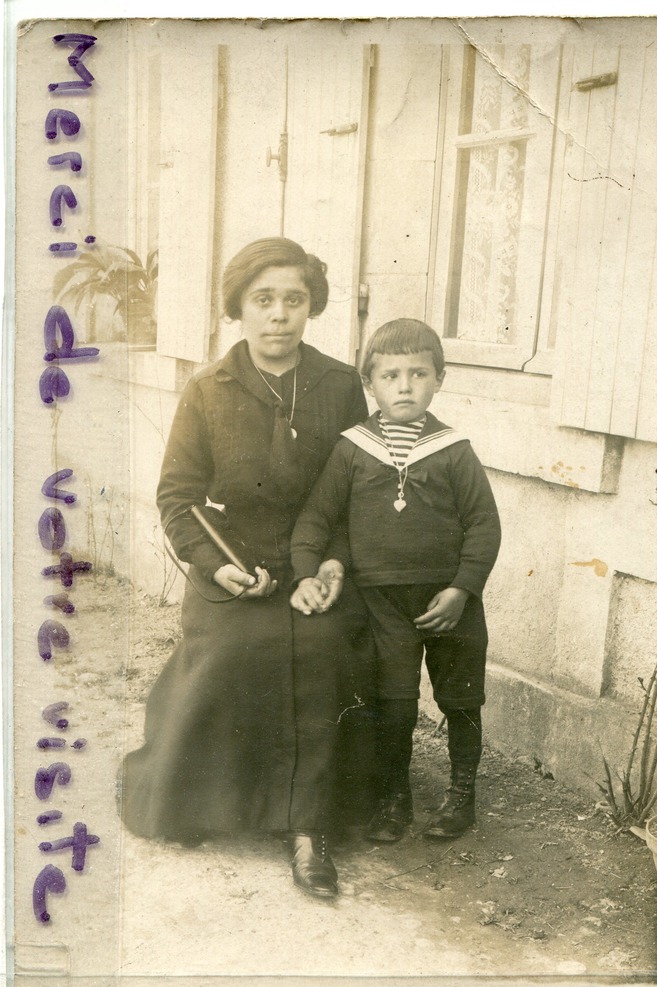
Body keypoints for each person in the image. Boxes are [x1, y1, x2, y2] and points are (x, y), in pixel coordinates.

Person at [120, 237, 373, 899]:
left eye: (293, 299)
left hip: (314, 567)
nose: (279, 315)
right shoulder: (208, 389)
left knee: (322, 650)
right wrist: (216, 567)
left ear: (311, 305)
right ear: (239, 307)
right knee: (235, 648)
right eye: (263, 300)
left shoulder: (342, 386)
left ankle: (310, 827)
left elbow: (356, 493)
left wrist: (333, 569)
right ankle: (212, 800)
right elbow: (177, 497)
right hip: (233, 566)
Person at [290, 318, 501, 844]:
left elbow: (483, 524)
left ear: (440, 379)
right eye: (390, 375)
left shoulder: (453, 450)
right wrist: (305, 569)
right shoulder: (353, 449)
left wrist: (462, 589)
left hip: (449, 599)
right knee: (394, 700)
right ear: (370, 384)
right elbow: (317, 518)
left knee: (460, 698)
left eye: (418, 373)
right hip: (381, 600)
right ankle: (393, 797)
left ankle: (462, 795)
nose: (404, 386)